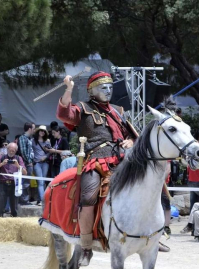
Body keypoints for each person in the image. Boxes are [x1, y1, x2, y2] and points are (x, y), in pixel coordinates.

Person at [57, 71, 138, 266]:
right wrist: (69, 89)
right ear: (92, 91)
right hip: (96, 160)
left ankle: (151, 234)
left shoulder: (118, 111)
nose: (108, 91)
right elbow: (63, 113)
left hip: (123, 160)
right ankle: (85, 247)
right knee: (88, 197)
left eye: (110, 87)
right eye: (103, 87)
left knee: (151, 182)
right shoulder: (83, 109)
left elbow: (133, 135)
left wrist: (130, 141)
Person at [0, 143, 27, 217]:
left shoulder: (18, 158)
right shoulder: (1, 157)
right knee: (0, 208)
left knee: (14, 209)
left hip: (14, 184)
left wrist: (17, 165)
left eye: (13, 151)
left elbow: (25, 173)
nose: (11, 152)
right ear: (7, 149)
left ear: (16, 151)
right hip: (2, 183)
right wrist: (2, 164)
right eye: (10, 150)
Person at [32, 125, 52, 205]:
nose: (42, 132)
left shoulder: (47, 141)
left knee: (42, 182)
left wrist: (45, 157)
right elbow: (30, 151)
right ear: (38, 131)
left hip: (45, 163)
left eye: (44, 131)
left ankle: (40, 198)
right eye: (41, 131)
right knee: (40, 182)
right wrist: (33, 159)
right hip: (36, 163)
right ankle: (42, 200)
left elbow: (50, 151)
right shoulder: (33, 140)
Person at [18, 122, 35, 205]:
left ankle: (25, 200)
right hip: (25, 164)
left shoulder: (28, 138)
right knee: (25, 182)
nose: (34, 130)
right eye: (33, 128)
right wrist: (29, 161)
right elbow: (23, 152)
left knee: (27, 182)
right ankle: (23, 200)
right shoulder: (22, 138)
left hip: (29, 163)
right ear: (29, 129)